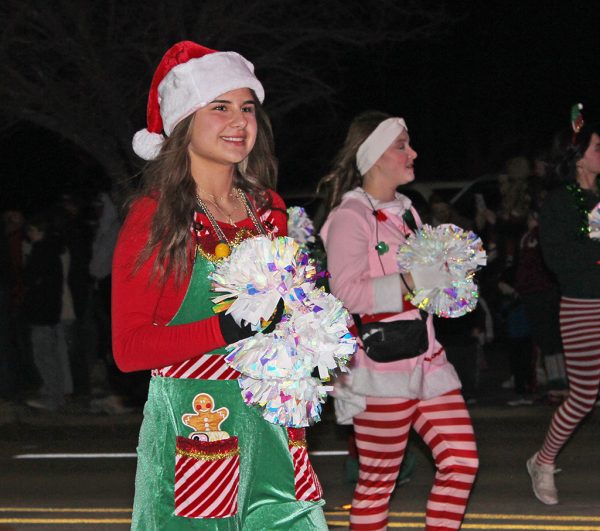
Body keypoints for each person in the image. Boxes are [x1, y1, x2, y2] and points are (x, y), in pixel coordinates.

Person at [111, 41, 327, 530]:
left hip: (275, 431)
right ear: (185, 120)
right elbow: (128, 349)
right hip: (199, 435)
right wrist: (224, 330)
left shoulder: (267, 207)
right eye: (221, 107)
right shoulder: (155, 217)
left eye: (248, 108)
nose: (240, 121)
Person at [318, 111, 479, 530]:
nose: (413, 153)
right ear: (373, 156)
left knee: (461, 462)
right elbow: (346, 293)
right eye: (401, 146)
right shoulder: (350, 217)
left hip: (427, 361)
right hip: (381, 367)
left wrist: (449, 283)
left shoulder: (407, 212)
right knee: (377, 484)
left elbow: (424, 285)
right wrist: (411, 280)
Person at [526, 119, 600, 505]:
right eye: (597, 148)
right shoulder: (561, 201)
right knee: (584, 397)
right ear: (579, 158)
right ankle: (543, 460)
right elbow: (558, 260)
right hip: (583, 306)